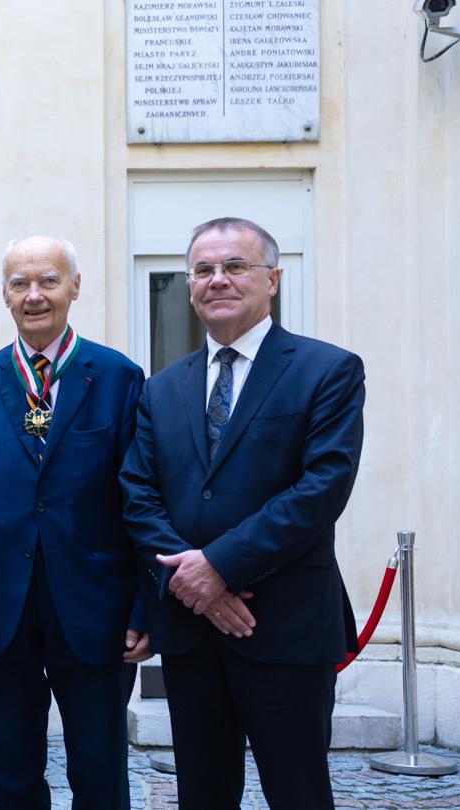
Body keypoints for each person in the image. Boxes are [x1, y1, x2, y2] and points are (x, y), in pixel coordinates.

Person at [121, 217, 365, 809]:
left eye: (235, 266)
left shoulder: (327, 370)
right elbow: (138, 493)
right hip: (191, 629)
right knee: (203, 793)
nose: (217, 280)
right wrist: (195, 583)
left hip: (283, 624)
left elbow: (321, 490)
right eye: (203, 270)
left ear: (273, 279)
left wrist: (220, 567)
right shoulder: (161, 389)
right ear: (189, 285)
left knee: (299, 790)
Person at [0, 236, 150, 809]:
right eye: (19, 283)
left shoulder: (118, 378)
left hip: (96, 607)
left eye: (49, 281)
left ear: (75, 287)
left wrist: (143, 606)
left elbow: (141, 501)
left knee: (99, 767)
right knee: (9, 769)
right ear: (5, 295)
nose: (34, 295)